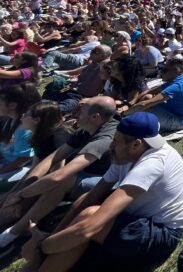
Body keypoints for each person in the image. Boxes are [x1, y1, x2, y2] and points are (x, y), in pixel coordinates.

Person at [20, 112, 183, 272]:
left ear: (136, 144)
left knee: (89, 217)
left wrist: (42, 247)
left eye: (116, 141)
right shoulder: (126, 154)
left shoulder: (152, 164)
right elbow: (92, 196)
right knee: (83, 202)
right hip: (137, 220)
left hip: (161, 236)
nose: (111, 146)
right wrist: (58, 233)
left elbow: (89, 227)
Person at [0, 97, 120, 249]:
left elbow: (59, 176)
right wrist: (17, 191)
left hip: (112, 182)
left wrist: (21, 195)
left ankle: (12, 234)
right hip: (88, 174)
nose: (75, 114)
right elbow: (53, 158)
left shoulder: (104, 139)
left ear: (95, 117)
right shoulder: (86, 130)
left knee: (61, 181)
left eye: (80, 111)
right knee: (34, 185)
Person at [129, 54, 183, 132]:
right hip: (177, 113)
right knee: (147, 97)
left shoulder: (177, 86)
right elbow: (149, 91)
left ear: (176, 71)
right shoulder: (179, 79)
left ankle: (127, 123)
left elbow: (145, 105)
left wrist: (124, 113)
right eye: (161, 69)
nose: (161, 72)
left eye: (164, 70)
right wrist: (131, 103)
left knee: (145, 108)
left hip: (181, 121)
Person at [0, 86, 39, 186]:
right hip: (6, 162)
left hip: (18, 168)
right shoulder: (9, 119)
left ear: (12, 105)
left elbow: (23, 159)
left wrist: (2, 171)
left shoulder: (23, 129)